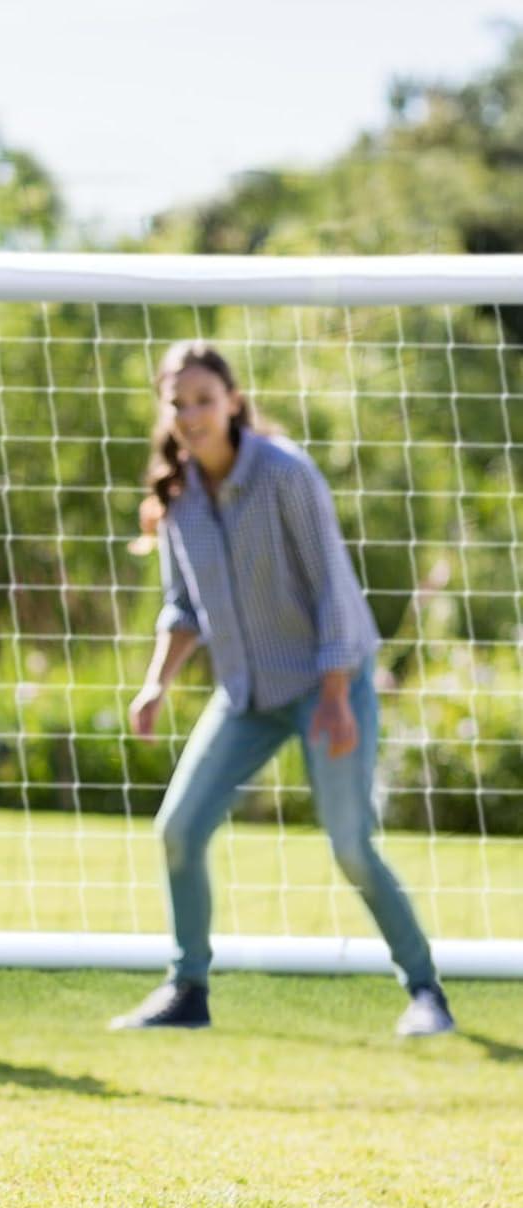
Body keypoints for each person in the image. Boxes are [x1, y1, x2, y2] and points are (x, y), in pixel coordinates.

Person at [117, 340, 454, 1039]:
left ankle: (425, 991)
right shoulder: (177, 497)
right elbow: (185, 609)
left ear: (233, 402)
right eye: (178, 404)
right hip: (246, 695)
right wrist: (156, 685)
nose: (191, 415)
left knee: (350, 845)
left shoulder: (285, 474)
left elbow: (334, 588)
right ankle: (189, 990)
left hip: (327, 684)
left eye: (204, 400)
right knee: (178, 830)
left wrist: (335, 694)